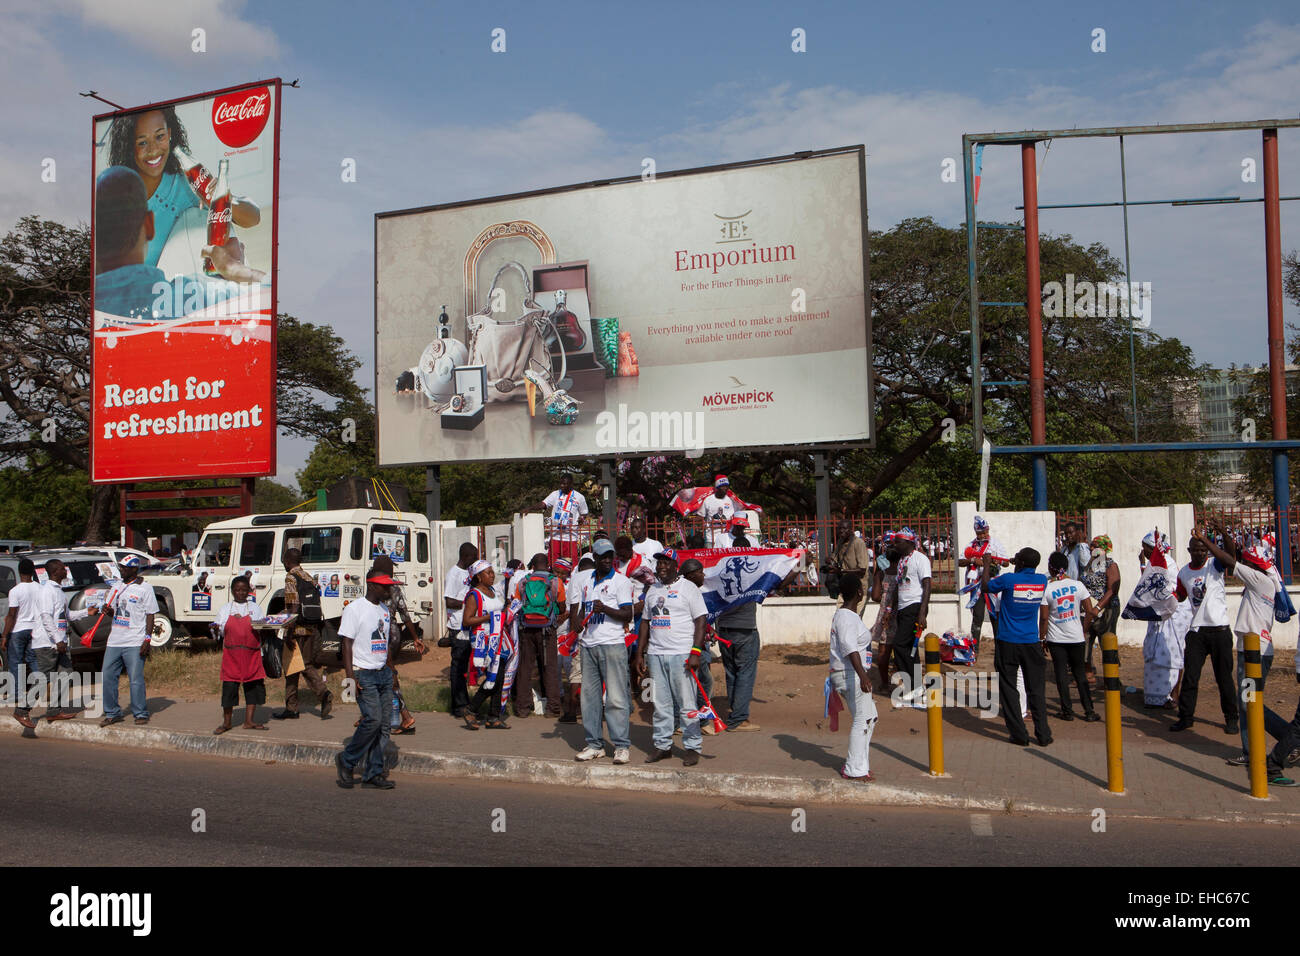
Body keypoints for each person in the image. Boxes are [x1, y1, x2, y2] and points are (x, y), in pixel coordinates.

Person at [1192, 520, 1297, 783]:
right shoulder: (1265, 580)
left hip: (1254, 653)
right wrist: (1225, 533)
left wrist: (1206, 541)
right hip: (1255, 650)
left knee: (1250, 702)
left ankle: (1284, 741)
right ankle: (1275, 744)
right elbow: (1233, 557)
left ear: (1255, 566)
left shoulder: (1261, 579)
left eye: (1248, 564)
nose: (1245, 567)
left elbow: (1229, 561)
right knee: (1249, 701)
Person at [94, 166, 265, 322]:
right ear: (149, 225)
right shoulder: (196, 298)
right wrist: (236, 271)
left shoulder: (86, 312)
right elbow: (268, 296)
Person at [106, 106, 259, 269]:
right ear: (129, 147)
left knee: (200, 218)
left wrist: (225, 199)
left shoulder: (188, 178)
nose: (153, 150)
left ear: (170, 133)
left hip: (210, 283)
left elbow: (253, 217)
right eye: (142, 142)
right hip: (159, 290)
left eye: (160, 136)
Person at [634, 549, 708, 766]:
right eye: (659, 564)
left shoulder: (689, 588)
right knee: (660, 703)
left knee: (687, 704)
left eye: (666, 563)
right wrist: (640, 654)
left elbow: (701, 621)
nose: (661, 567)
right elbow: (646, 622)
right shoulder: (652, 590)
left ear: (676, 566)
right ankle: (662, 746)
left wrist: (696, 652)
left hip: (682, 655)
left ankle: (692, 746)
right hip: (656, 655)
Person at [571, 539, 635, 762]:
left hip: (612, 644)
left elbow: (628, 614)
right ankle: (595, 744)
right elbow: (581, 610)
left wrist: (605, 608)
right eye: (603, 556)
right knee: (589, 699)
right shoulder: (586, 581)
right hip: (588, 645)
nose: (608, 559)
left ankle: (621, 745)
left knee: (616, 697)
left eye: (610, 556)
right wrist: (577, 622)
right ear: (595, 558)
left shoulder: (621, 582)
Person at [335, 569, 399, 790]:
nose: (389, 589)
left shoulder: (384, 610)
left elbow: (385, 644)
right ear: (372, 586)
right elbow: (346, 644)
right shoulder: (354, 609)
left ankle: (373, 773)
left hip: (383, 672)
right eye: (385, 586)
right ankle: (347, 760)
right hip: (363, 672)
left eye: (390, 586)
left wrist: (393, 673)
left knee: (384, 726)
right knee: (372, 720)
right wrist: (350, 677)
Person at [1170, 530, 1239, 735]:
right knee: (1191, 677)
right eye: (1196, 550)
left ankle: (1231, 718)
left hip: (1220, 630)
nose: (1200, 553)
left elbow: (1230, 553)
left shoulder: (1214, 565)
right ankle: (1185, 717)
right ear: (1189, 551)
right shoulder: (1183, 573)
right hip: (1197, 631)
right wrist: (1168, 597)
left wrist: (1215, 537)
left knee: (1223, 677)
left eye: (1203, 550)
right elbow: (1181, 596)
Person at [983, 548, 1051, 747]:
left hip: (1008, 641)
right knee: (1036, 688)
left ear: (1019, 563)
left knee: (1008, 688)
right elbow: (1024, 571)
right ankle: (1043, 734)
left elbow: (986, 586)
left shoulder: (1009, 580)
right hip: (1031, 642)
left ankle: (1019, 734)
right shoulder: (1041, 580)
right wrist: (1019, 562)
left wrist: (987, 564)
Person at [97, 555, 158, 727]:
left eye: (124, 568)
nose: (121, 570)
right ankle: (112, 712)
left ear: (133, 569)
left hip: (134, 640)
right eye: (121, 567)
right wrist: (107, 610)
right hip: (115, 639)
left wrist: (147, 639)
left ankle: (140, 712)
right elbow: (113, 612)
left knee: (135, 678)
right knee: (108, 676)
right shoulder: (117, 586)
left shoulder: (145, 588)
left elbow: (150, 615)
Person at [1040, 552, 1100, 722]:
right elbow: (1089, 611)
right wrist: (1084, 629)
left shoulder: (1048, 588)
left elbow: (1044, 618)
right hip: (1077, 637)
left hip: (1056, 639)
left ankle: (1067, 711)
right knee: (1080, 674)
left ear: (1051, 568)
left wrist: (1042, 638)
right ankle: (1089, 711)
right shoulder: (1078, 585)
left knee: (1061, 675)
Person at [275, 548, 333, 721]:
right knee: (298, 665)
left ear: (286, 560)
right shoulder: (308, 576)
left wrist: (288, 632)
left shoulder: (291, 577)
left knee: (297, 666)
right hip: (311, 628)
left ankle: (322, 694)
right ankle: (291, 706)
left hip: (297, 629)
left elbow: (293, 606)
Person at [829, 573, 877, 781]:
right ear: (859, 592)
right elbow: (849, 647)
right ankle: (853, 769)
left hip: (850, 674)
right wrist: (863, 675)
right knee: (862, 720)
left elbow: (860, 640)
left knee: (871, 716)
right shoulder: (846, 617)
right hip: (851, 675)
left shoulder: (848, 616)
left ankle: (860, 764)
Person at [372, 555, 424, 734]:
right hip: (394, 634)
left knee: (388, 677)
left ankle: (405, 716)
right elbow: (405, 615)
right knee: (382, 675)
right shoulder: (394, 588)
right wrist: (415, 637)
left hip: (381, 635)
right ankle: (372, 715)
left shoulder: (376, 587)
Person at [34, 559, 89, 721]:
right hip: (48, 643)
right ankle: (22, 709)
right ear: (55, 571)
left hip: (60, 643)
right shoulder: (47, 591)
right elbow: (46, 617)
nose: (66, 570)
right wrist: (58, 640)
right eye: (62, 568)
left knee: (66, 674)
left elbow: (68, 616)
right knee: (44, 679)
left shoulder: (59, 591)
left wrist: (88, 612)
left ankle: (54, 711)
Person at [212, 576, 268, 734]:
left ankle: (249, 721)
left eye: (244, 590)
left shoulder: (255, 608)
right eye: (237, 590)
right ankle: (227, 722)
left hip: (252, 655)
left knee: (252, 688)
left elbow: (260, 627)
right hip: (232, 656)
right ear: (232, 591)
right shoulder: (225, 609)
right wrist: (216, 629)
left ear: (249, 591)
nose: (241, 593)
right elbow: (219, 631)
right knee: (229, 689)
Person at [512, 553, 563, 719]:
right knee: (550, 667)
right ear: (547, 565)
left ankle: (522, 708)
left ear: (532, 566)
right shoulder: (555, 581)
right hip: (547, 629)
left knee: (525, 667)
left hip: (526, 629)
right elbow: (562, 606)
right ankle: (553, 708)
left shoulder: (523, 581)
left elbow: (516, 604)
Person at [461, 561, 510, 730]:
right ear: (478, 577)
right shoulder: (475, 595)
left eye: (492, 572)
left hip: (497, 638)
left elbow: (499, 611)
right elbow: (467, 620)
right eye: (488, 573)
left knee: (500, 675)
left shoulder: (493, 591)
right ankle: (472, 709)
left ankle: (493, 716)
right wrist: (488, 618)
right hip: (483, 640)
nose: (492, 575)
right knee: (495, 675)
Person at [888, 528, 932, 705]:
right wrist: (892, 610)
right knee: (910, 650)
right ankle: (916, 688)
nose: (895, 544)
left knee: (899, 645)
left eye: (898, 541)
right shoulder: (902, 560)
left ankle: (913, 685)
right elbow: (899, 585)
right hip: (903, 608)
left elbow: (927, 584)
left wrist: (922, 612)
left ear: (908, 542)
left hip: (914, 606)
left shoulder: (920, 559)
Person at [957, 516, 1009, 654]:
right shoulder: (971, 545)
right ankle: (974, 650)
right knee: (977, 616)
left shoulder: (995, 543)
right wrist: (973, 560)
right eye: (980, 533)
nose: (983, 535)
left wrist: (996, 561)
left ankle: (1000, 649)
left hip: (993, 584)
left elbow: (1006, 562)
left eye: (984, 532)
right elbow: (960, 561)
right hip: (977, 585)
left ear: (988, 530)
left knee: (995, 616)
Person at [3, 559, 44, 728]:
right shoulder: (40, 588)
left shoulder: (15, 591)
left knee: (16, 661)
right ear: (33, 571)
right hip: (35, 629)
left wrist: (5, 635)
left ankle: (18, 693)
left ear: (19, 572)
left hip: (19, 630)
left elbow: (12, 615)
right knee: (33, 660)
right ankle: (39, 687)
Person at [1079, 535, 1121, 686]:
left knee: (1107, 642)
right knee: (1085, 641)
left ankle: (1114, 681)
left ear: (1104, 549)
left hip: (1106, 609)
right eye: (1091, 545)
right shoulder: (1089, 564)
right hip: (1087, 610)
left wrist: (1098, 607)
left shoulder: (1110, 565)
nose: (1091, 548)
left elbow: (1113, 589)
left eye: (1095, 546)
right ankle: (1088, 674)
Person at [445, 542, 479, 718]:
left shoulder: (468, 573)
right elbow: (449, 601)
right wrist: (468, 604)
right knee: (458, 667)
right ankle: (458, 705)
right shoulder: (454, 574)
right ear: (465, 556)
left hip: (467, 625)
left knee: (464, 666)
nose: (475, 560)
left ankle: (464, 701)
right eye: (473, 557)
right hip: (457, 626)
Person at [559, 556, 594, 723]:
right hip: (598, 635)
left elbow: (572, 607)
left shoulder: (575, 579)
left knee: (576, 675)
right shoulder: (599, 576)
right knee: (599, 676)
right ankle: (599, 711)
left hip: (580, 634)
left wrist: (574, 630)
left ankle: (571, 712)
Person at [537, 472, 589, 568]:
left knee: (571, 564)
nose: (562, 486)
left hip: (570, 536)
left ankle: (570, 581)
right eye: (561, 483)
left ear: (571, 484)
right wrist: (529, 508)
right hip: (556, 535)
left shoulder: (579, 497)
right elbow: (544, 504)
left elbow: (584, 512)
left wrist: (581, 518)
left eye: (565, 484)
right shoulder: (555, 494)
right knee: (553, 563)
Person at [830, 518, 871, 618]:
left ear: (851, 529)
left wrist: (842, 571)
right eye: (839, 529)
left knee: (853, 619)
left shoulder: (858, 543)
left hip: (859, 589)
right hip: (845, 588)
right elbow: (834, 560)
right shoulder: (841, 542)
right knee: (840, 617)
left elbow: (862, 570)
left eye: (844, 529)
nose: (841, 531)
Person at [697, 475, 738, 548]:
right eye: (723, 486)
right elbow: (701, 516)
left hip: (727, 539)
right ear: (717, 487)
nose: (725, 488)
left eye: (727, 486)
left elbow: (738, 513)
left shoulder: (732, 500)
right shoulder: (708, 500)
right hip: (712, 539)